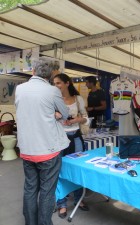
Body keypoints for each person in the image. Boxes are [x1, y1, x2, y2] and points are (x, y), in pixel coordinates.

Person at [15, 58, 70, 225]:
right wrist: (55, 115)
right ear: (51, 75)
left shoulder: (20, 89)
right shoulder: (52, 91)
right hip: (48, 150)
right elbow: (65, 113)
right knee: (47, 192)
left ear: (33, 71)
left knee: (30, 189)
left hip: (26, 149)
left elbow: (27, 111)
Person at [53, 73, 90, 219]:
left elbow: (86, 119)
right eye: (54, 83)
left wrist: (78, 119)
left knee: (77, 169)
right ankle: (61, 204)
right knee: (59, 171)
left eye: (58, 83)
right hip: (59, 140)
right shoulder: (53, 100)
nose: (56, 86)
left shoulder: (78, 98)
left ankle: (78, 199)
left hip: (76, 138)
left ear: (67, 83)